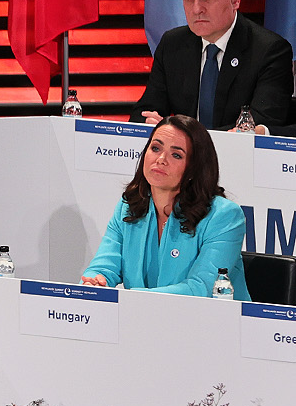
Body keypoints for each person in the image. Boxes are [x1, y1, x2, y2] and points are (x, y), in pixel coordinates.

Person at [82, 114, 247, 299]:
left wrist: (129, 298)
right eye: (155, 148)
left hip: (208, 317)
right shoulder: (129, 206)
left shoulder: (224, 216)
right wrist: (94, 283)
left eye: (176, 155)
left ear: (194, 168)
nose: (161, 159)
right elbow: (103, 266)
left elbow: (202, 288)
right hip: (140, 314)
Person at [134, 0, 293, 134]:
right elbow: (144, 111)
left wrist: (184, 136)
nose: (196, 9)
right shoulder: (172, 44)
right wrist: (149, 123)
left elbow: (261, 121)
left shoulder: (269, 50)